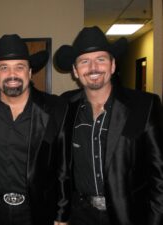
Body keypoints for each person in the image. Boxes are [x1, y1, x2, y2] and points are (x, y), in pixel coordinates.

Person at [54, 26, 163, 225]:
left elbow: (159, 175)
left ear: (113, 65)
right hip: (80, 215)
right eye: (84, 61)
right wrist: (62, 213)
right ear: (75, 71)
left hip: (128, 215)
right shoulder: (65, 106)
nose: (93, 67)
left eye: (101, 59)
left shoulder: (143, 106)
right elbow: (61, 167)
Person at [0, 34, 69, 225]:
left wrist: (62, 213)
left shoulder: (55, 108)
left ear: (30, 72)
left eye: (19, 67)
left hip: (37, 210)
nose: (12, 74)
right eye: (4, 67)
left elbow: (63, 167)